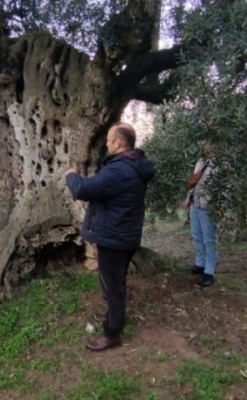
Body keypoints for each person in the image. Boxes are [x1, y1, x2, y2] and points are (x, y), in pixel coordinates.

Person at [64, 122, 155, 352]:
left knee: (112, 286)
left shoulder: (119, 169)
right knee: (116, 282)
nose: (106, 143)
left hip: (114, 238)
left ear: (118, 142)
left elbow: (82, 190)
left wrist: (71, 175)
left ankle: (112, 333)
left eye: (108, 139)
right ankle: (113, 317)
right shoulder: (134, 166)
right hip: (125, 234)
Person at [184, 141, 218, 287]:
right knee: (197, 236)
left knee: (209, 240)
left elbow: (225, 188)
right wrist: (188, 197)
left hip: (208, 206)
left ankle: (209, 272)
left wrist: (219, 206)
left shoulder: (221, 164)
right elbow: (194, 181)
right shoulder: (201, 161)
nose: (205, 145)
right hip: (195, 204)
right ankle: (200, 264)